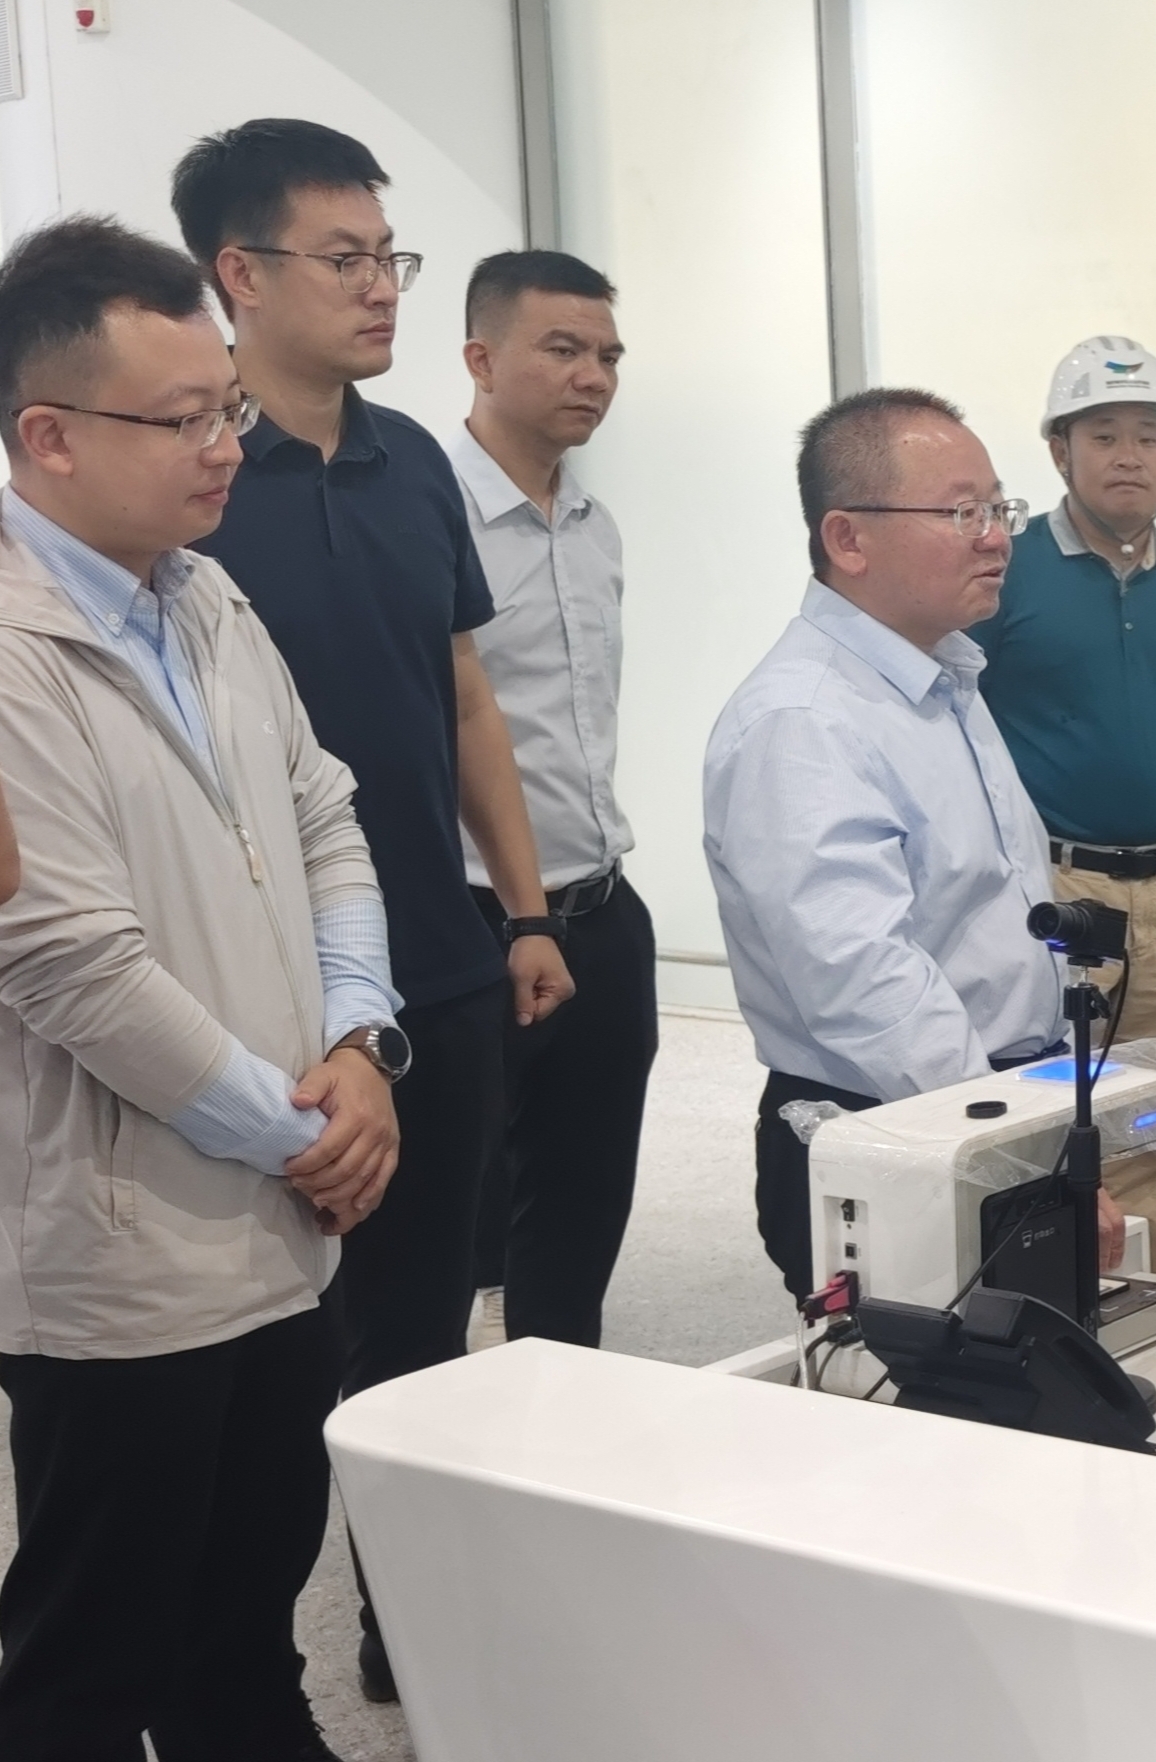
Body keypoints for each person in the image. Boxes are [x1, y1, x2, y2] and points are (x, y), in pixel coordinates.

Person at [171, 117, 572, 1706]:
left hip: (439, 968)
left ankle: (411, 1627)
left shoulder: (413, 462)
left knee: (421, 1325)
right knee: (268, 1355)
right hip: (258, 998)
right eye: (344, 258)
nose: (381, 286)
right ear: (240, 272)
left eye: (388, 256)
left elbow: (464, 694)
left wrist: (523, 912)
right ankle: (237, 1672)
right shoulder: (191, 471)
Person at [0, 215, 402, 1761]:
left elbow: (326, 817)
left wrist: (359, 1045)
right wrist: (303, 1134)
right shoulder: (19, 644)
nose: (225, 448)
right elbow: (68, 960)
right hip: (123, 1257)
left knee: (246, 1632)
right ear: (48, 436)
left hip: (282, 1226)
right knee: (91, 1668)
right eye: (180, 421)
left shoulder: (205, 597)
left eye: (225, 408)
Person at [707, 387, 1123, 1305]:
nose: (996, 538)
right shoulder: (805, 721)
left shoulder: (946, 679)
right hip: (904, 1128)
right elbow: (866, 984)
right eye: (961, 513)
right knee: (916, 1391)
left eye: (1000, 508)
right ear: (848, 539)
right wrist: (1016, 1152)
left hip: (990, 1105)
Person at [450, 249, 655, 1352]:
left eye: (608, 355)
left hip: (601, 904)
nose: (593, 376)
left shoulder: (594, 523)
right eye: (563, 349)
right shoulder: (430, 516)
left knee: (581, 1210)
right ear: (480, 359)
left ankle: (560, 1396)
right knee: (449, 1225)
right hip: (473, 914)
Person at [967, 335, 1156, 1043]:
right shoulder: (1007, 567)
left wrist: (1152, 804)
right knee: (1053, 1087)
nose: (1129, 456)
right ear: (1060, 452)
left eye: (1149, 437)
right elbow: (952, 716)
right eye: (1104, 436)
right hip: (1052, 888)